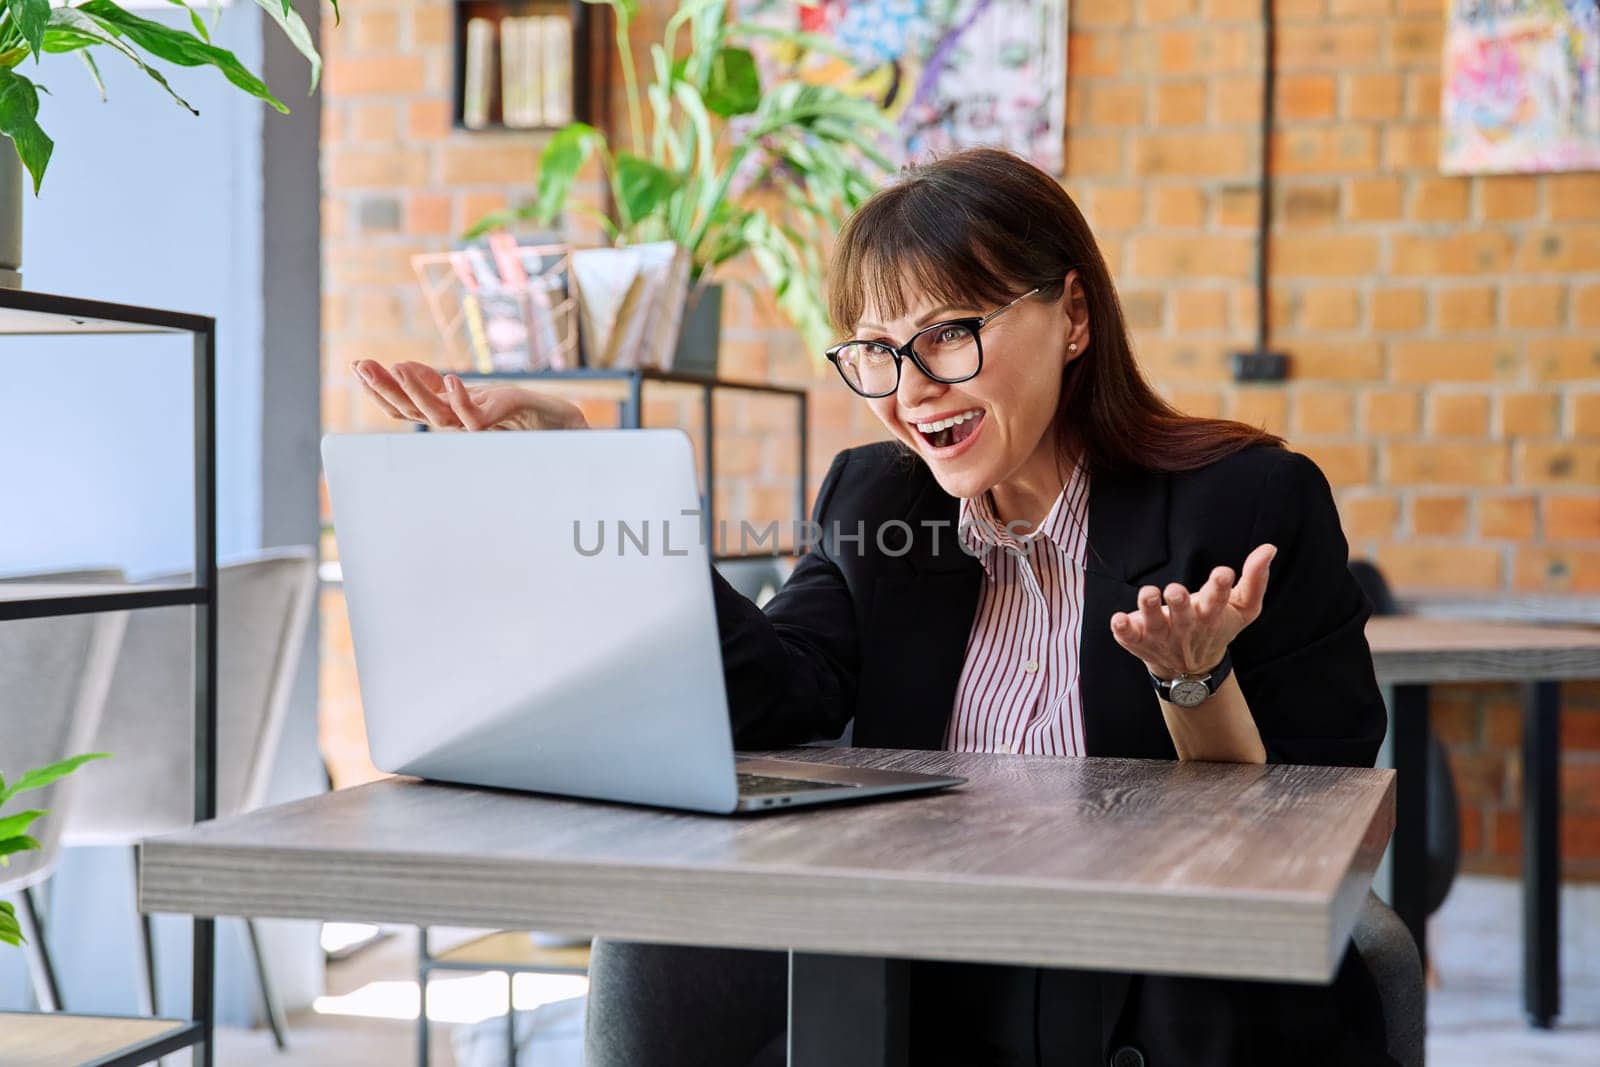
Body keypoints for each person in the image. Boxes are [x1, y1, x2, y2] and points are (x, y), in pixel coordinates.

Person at [352, 146, 1395, 1067]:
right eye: (876, 352)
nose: (909, 389)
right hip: (921, 994)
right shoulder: (874, 499)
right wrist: (587, 479)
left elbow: (1329, 800)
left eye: (948, 334)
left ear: (1073, 315)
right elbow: (775, 689)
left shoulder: (1248, 499)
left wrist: (1193, 677)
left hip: (1166, 1004)